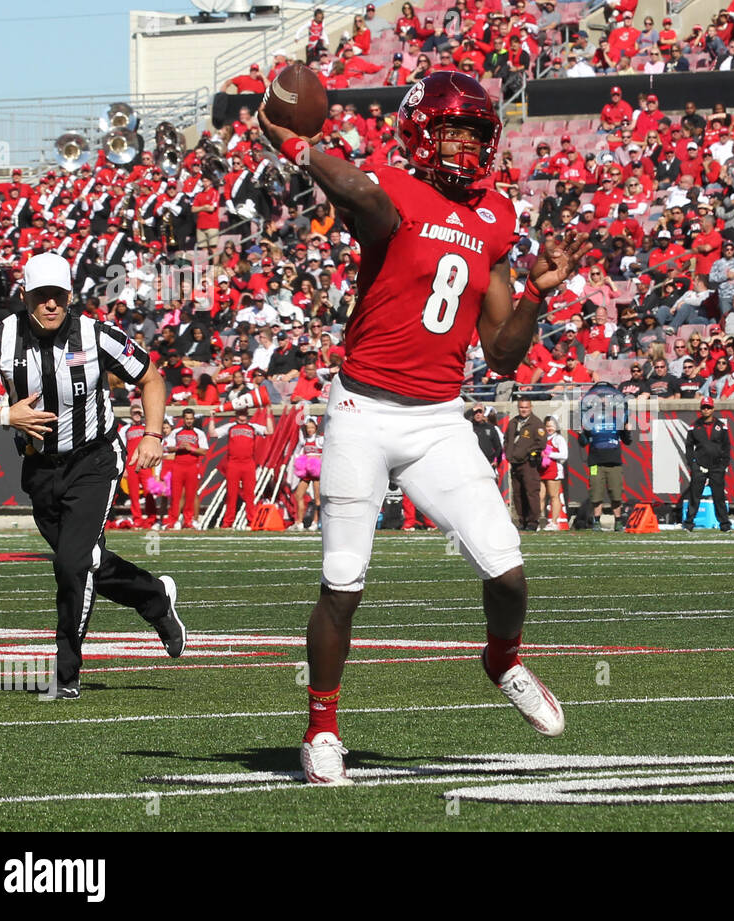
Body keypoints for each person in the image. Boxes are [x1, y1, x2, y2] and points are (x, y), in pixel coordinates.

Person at [260, 71, 587, 784]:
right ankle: (321, 727)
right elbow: (365, 199)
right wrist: (297, 147)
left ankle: (502, 658)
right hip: (363, 413)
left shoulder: (494, 217)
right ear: (418, 129)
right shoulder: (391, 189)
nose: (464, 142)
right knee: (343, 583)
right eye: (451, 128)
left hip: (439, 418)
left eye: (476, 131)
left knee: (508, 571)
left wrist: (535, 293)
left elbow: (501, 352)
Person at [0, 252, 185, 699]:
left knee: (72, 564)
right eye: (41, 296)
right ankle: (155, 598)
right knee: (87, 561)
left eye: (58, 295)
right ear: (25, 297)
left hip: (94, 460)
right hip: (39, 468)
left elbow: (151, 377)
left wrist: (152, 434)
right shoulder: (2, 337)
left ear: (70, 295)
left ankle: (65, 673)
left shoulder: (95, 334)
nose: (51, 305)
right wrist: (3, 415)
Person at [207, 407, 273, 529]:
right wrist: (212, 417)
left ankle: (251, 521)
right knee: (231, 494)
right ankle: (228, 522)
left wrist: (268, 415)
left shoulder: (253, 427)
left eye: (244, 415)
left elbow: (269, 431)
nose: (242, 417)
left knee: (249, 494)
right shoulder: (230, 426)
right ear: (236, 415)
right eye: (240, 414)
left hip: (248, 463)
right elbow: (213, 433)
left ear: (247, 415)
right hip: (233, 463)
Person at [578, 381, 631, 531]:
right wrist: (581, 434)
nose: (603, 402)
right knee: (596, 493)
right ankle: (596, 521)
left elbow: (627, 441)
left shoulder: (617, 420)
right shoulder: (589, 420)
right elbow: (583, 443)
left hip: (613, 462)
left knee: (616, 493)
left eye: (605, 400)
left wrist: (627, 431)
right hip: (595, 462)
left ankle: (618, 521)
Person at [682, 395, 732, 531]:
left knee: (719, 496)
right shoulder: (694, 426)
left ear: (713, 408)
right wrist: (692, 463)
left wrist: (724, 464)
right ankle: (688, 523)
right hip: (700, 465)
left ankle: (724, 524)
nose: (706, 410)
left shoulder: (721, 426)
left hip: (717, 466)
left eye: (708, 407)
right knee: (694, 495)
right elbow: (689, 446)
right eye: (704, 407)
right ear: (700, 409)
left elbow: (727, 446)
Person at [504, 397, 546, 530]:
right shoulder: (513, 422)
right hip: (514, 463)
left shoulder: (536, 423)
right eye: (521, 407)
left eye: (526, 407)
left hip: (528, 463)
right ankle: (521, 520)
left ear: (531, 407)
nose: (524, 410)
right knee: (517, 493)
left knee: (531, 492)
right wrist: (509, 453)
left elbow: (541, 443)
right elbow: (506, 439)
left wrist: (529, 453)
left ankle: (533, 521)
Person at [164, 408, 208, 529]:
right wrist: (179, 447)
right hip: (178, 465)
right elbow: (168, 447)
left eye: (191, 419)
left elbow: (204, 451)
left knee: (190, 495)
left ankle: (188, 521)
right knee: (176, 495)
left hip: (192, 465)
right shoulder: (176, 432)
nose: (189, 421)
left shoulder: (199, 433)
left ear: (193, 419)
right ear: (183, 419)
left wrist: (191, 448)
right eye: (187, 419)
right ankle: (173, 520)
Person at [292, 416, 324, 531]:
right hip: (306, 470)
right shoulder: (304, 440)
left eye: (312, 427)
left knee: (317, 498)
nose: (310, 429)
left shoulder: (320, 440)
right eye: (308, 427)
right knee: (298, 495)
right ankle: (299, 522)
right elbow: (299, 452)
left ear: (316, 427)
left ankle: (315, 522)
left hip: (316, 471)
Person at [541, 415, 568, 530]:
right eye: (547, 426)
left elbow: (564, 455)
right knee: (540, 496)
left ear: (556, 426)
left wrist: (548, 454)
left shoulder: (558, 439)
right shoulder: (543, 438)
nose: (549, 428)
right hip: (541, 470)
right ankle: (539, 521)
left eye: (552, 426)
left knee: (553, 496)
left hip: (554, 470)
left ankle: (554, 522)